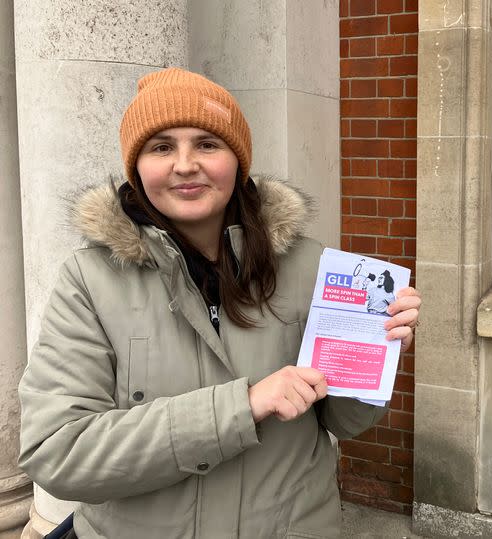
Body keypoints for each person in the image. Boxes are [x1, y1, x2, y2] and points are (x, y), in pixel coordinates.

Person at [17, 68, 421, 538]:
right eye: (161, 147)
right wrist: (241, 407)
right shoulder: (90, 279)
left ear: (238, 160)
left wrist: (376, 349)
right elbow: (58, 451)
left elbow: (344, 422)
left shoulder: (309, 265)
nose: (185, 164)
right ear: (137, 166)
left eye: (207, 144)